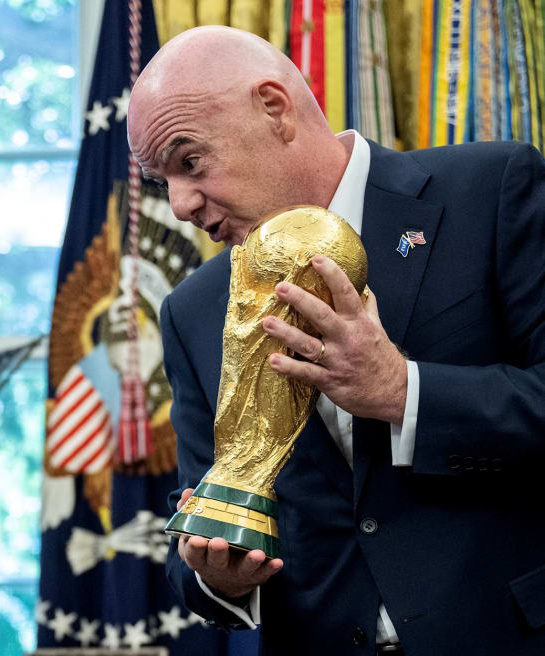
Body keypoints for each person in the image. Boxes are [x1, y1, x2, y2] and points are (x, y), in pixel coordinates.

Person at [128, 25, 545, 656]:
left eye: (190, 162)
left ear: (274, 109)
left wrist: (403, 391)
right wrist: (216, 574)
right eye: (163, 184)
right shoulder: (193, 310)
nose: (182, 204)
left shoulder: (493, 191)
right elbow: (198, 522)